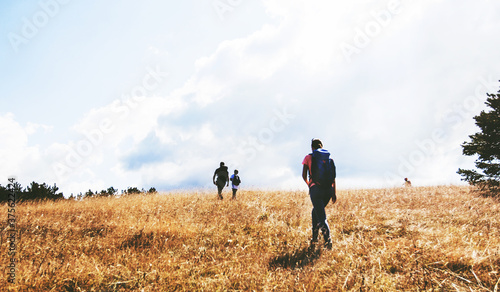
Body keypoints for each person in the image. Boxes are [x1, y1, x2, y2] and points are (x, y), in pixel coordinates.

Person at [302, 138, 336, 249]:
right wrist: (334, 193)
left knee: (321, 217)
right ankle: (315, 239)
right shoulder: (329, 159)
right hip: (328, 190)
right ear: (322, 146)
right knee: (315, 212)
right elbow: (333, 178)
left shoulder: (308, 157)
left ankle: (328, 241)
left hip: (316, 190)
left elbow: (303, 175)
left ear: (312, 147)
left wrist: (310, 185)